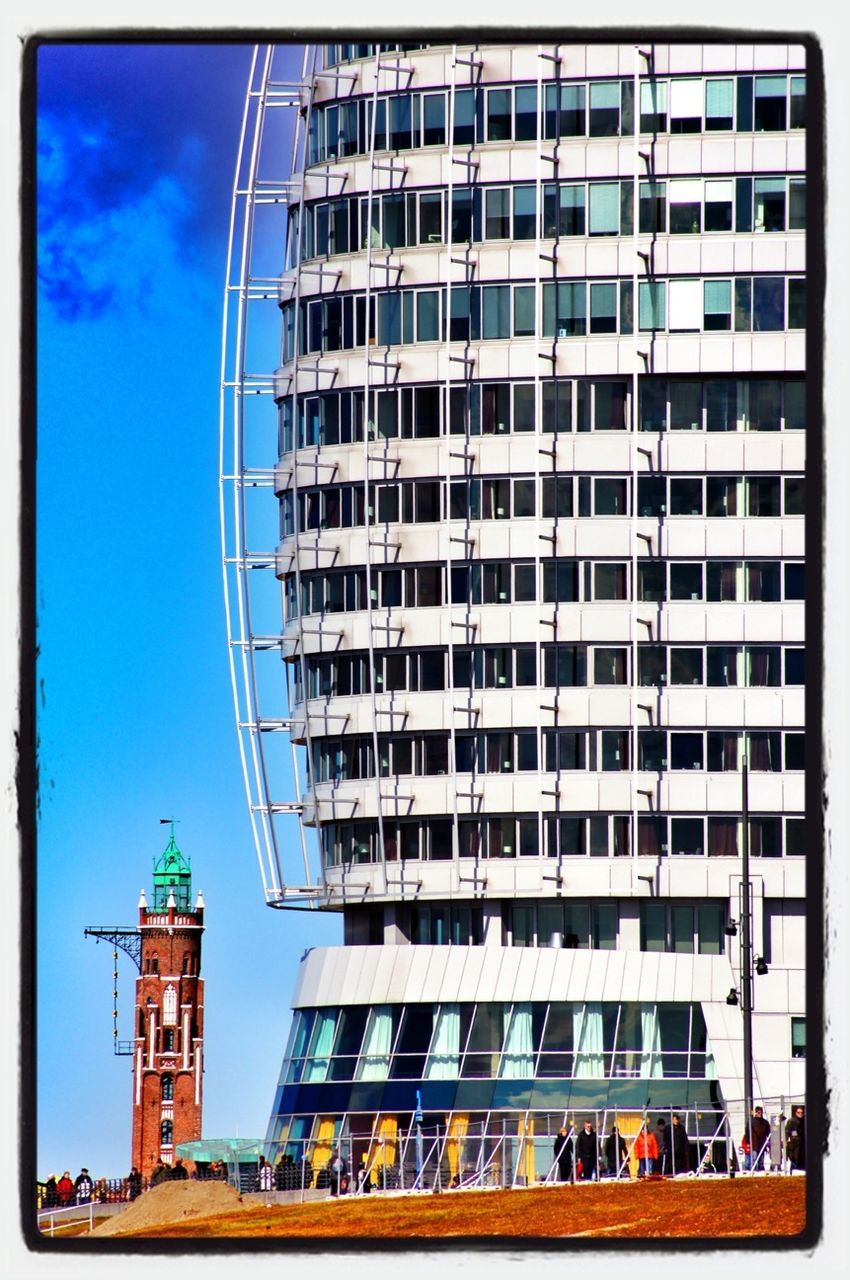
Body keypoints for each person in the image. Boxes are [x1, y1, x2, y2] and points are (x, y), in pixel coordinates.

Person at [743, 1106, 772, 1172]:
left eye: (761, 1112)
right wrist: (748, 1141)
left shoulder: (765, 1122)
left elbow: (769, 1132)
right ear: (755, 1112)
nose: (760, 1114)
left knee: (761, 1159)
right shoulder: (751, 1121)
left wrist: (769, 1142)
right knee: (754, 1158)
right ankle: (753, 1170)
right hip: (754, 1144)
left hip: (762, 1144)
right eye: (758, 1112)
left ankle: (761, 1170)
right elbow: (747, 1131)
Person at [785, 1105, 806, 1172]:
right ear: (796, 1113)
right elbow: (786, 1132)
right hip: (793, 1146)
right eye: (799, 1112)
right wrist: (785, 1142)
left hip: (803, 1145)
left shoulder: (805, 1121)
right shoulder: (792, 1121)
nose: (800, 1114)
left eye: (802, 1112)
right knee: (794, 1160)